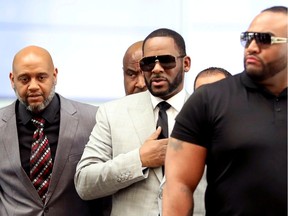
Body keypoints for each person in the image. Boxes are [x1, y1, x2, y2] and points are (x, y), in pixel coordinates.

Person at [163, 6, 287, 216]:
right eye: (248, 38)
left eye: (264, 39)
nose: (252, 47)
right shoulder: (209, 100)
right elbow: (178, 185)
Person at [75, 28, 205, 216]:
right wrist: (139, 159)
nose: (157, 69)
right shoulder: (112, 113)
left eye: (166, 60)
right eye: (148, 62)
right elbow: (84, 183)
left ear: (186, 63)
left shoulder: (208, 112)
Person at [0, 45, 111, 216]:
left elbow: (104, 190)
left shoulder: (93, 119)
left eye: (41, 77)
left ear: (55, 75)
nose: (33, 86)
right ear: (12, 79)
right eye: (24, 79)